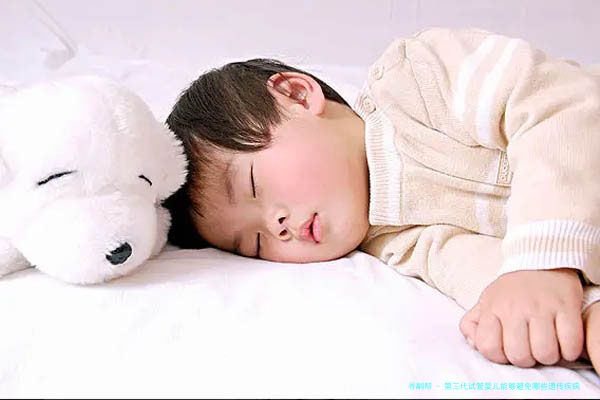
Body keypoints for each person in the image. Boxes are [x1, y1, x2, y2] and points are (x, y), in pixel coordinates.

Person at [164, 27, 600, 373]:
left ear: (297, 95)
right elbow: (496, 281)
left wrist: (542, 264)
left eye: (254, 186)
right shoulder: (394, 243)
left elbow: (559, 106)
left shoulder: (417, 79)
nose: (275, 226)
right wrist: (580, 316)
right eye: (254, 243)